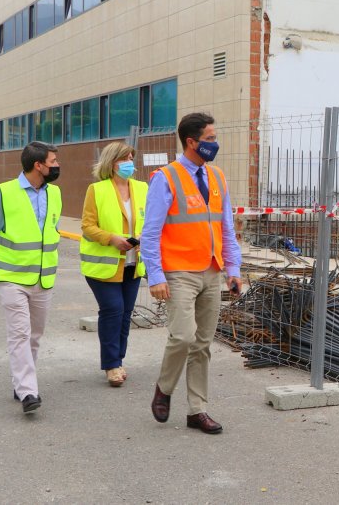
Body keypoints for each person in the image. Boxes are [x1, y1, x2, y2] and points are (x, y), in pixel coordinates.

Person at [141, 112, 244, 434]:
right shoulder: (166, 178)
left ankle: (197, 410)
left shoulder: (217, 178)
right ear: (191, 141)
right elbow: (150, 232)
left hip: (212, 271)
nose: (216, 144)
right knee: (183, 336)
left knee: (202, 344)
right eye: (210, 139)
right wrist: (155, 276)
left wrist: (233, 268)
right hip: (179, 272)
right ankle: (165, 388)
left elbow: (226, 228)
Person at [0, 141, 62, 414]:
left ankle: (22, 383)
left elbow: (53, 230)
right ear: (38, 165)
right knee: (20, 334)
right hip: (12, 278)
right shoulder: (4, 192)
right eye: (53, 161)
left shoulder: (55, 194)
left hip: (43, 277)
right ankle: (28, 392)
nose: (57, 165)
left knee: (34, 335)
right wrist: (0, 259)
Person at [80, 142, 148, 387]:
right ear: (111, 162)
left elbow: (149, 221)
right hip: (104, 265)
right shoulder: (96, 190)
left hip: (133, 263)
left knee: (125, 314)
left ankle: (118, 359)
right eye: (124, 158)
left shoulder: (142, 188)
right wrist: (112, 239)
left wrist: (143, 240)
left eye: (131, 157)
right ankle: (111, 365)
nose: (130, 162)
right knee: (113, 311)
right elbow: (87, 226)